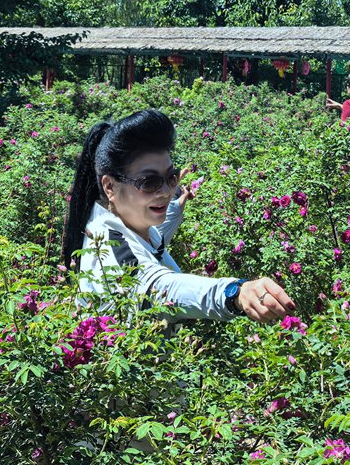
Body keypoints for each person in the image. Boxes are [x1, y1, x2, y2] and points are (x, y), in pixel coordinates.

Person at [64, 109, 296, 323]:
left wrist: (177, 207)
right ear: (110, 187)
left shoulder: (134, 223)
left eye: (170, 177)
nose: (165, 192)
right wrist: (235, 292)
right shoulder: (109, 247)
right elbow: (159, 286)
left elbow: (159, 237)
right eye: (149, 182)